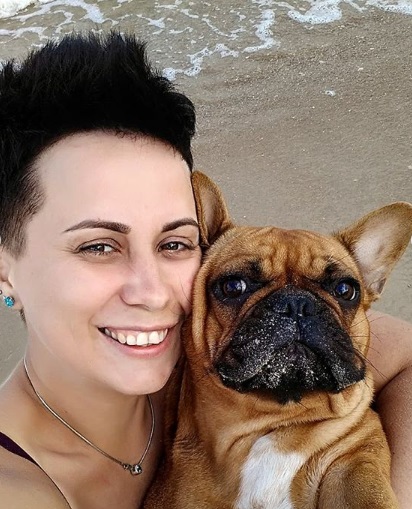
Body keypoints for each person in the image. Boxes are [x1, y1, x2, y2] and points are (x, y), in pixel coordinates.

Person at [0, 32, 410, 509]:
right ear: (6, 271)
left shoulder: (184, 351)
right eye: (97, 246)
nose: (152, 292)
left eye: (174, 243)